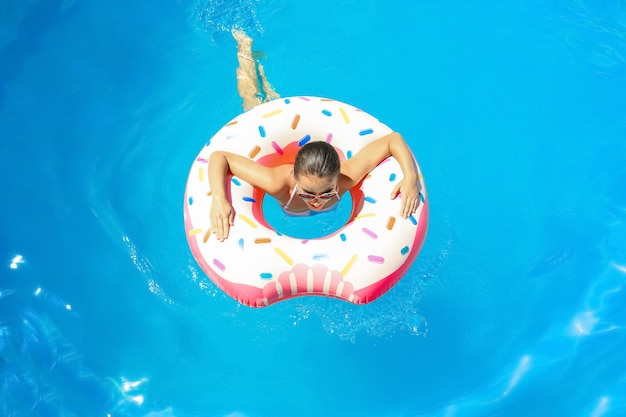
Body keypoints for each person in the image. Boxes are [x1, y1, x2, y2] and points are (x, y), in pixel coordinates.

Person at [208, 30, 422, 242]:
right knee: (252, 100)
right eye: (307, 193)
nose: (317, 202)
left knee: (269, 97)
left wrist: (410, 178)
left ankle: (265, 78)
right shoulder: (277, 183)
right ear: (295, 176)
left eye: (327, 192)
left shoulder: (346, 178)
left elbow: (394, 139)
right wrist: (219, 198)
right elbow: (220, 157)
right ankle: (244, 48)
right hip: (265, 136)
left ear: (336, 178)